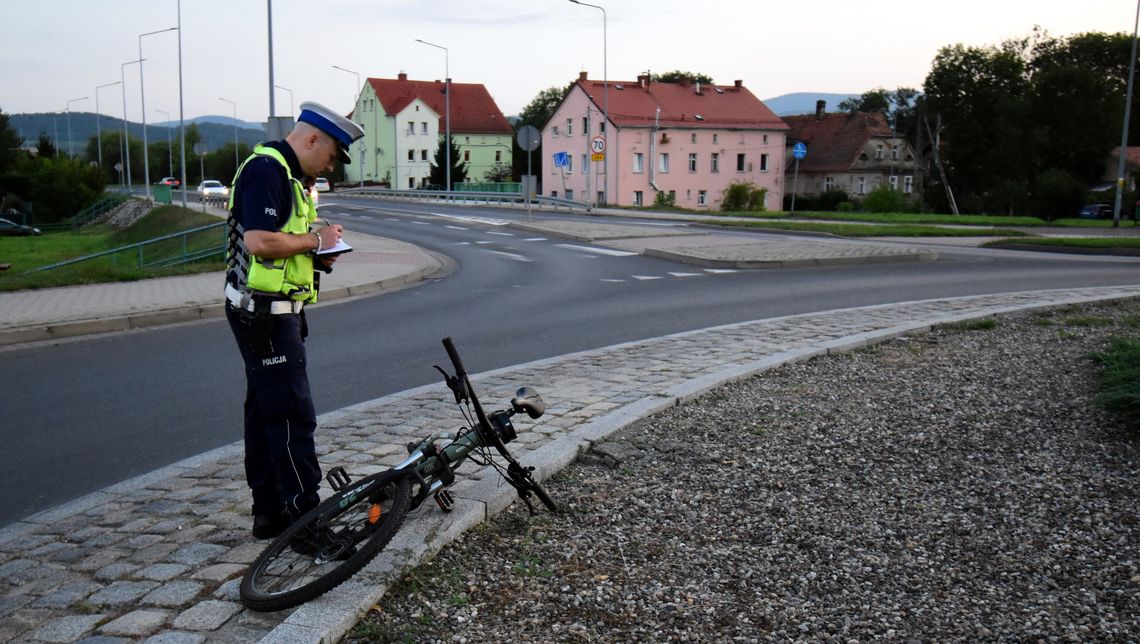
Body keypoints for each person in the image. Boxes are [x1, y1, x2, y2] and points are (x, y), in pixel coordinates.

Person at [224, 101, 363, 540]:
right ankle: (306, 523)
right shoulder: (268, 170)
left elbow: (279, 250)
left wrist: (318, 256)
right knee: (290, 417)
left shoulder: (287, 174)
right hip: (263, 315)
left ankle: (269, 514)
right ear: (311, 139)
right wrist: (315, 239)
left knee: (265, 413)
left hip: (270, 309)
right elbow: (261, 241)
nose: (329, 169)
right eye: (330, 158)